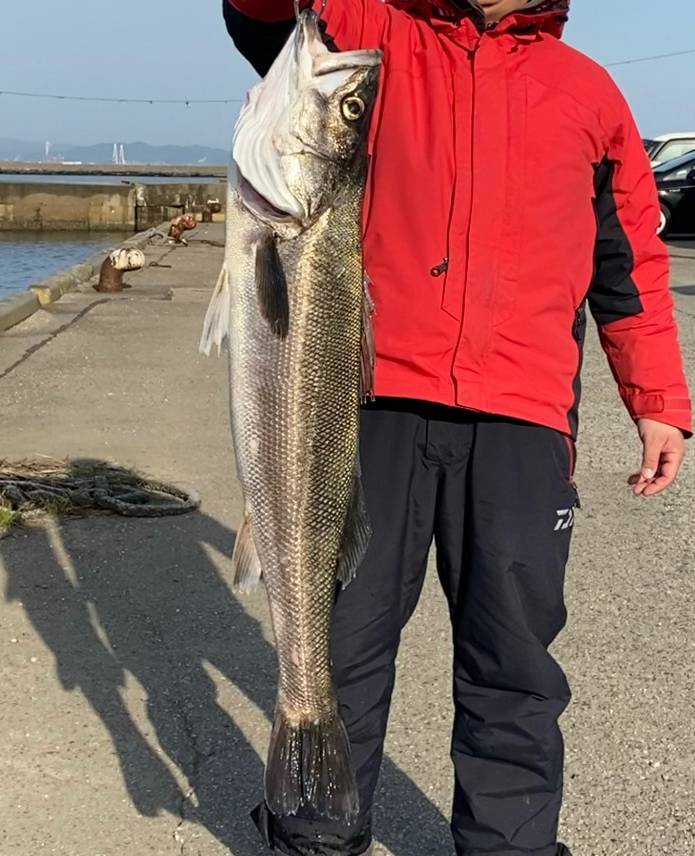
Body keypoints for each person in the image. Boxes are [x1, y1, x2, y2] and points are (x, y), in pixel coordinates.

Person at [221, 1, 692, 855]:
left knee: (513, 665)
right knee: (342, 647)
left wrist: (656, 397)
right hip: (367, 403)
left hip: (523, 417)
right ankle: (315, 836)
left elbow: (627, 260)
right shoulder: (369, 28)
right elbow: (262, 13)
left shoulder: (586, 91)